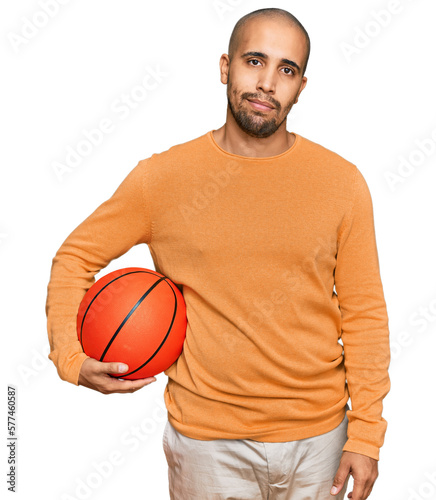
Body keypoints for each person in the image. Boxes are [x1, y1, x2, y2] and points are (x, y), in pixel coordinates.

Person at [45, 7, 391, 500]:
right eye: (255, 61)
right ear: (225, 67)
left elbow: (365, 315)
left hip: (321, 441)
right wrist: (70, 356)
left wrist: (367, 434)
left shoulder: (342, 183)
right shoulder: (162, 179)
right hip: (206, 444)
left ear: (301, 86)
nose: (268, 82)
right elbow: (74, 257)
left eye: (286, 70)